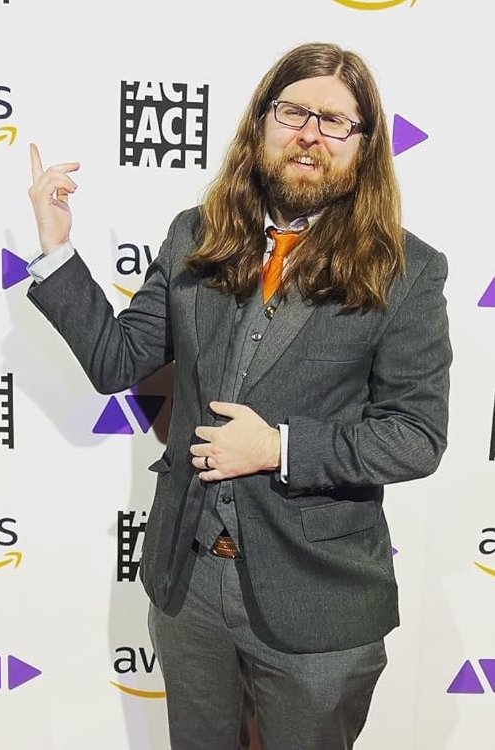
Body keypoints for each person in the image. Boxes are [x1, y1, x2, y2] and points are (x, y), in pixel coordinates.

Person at [27, 42, 451, 750]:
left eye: (335, 122)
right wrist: (57, 250)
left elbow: (416, 436)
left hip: (319, 602)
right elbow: (116, 360)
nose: (310, 135)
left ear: (364, 145)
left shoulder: (407, 271)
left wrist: (278, 447)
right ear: (261, 122)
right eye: (293, 112)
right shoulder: (196, 235)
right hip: (188, 585)